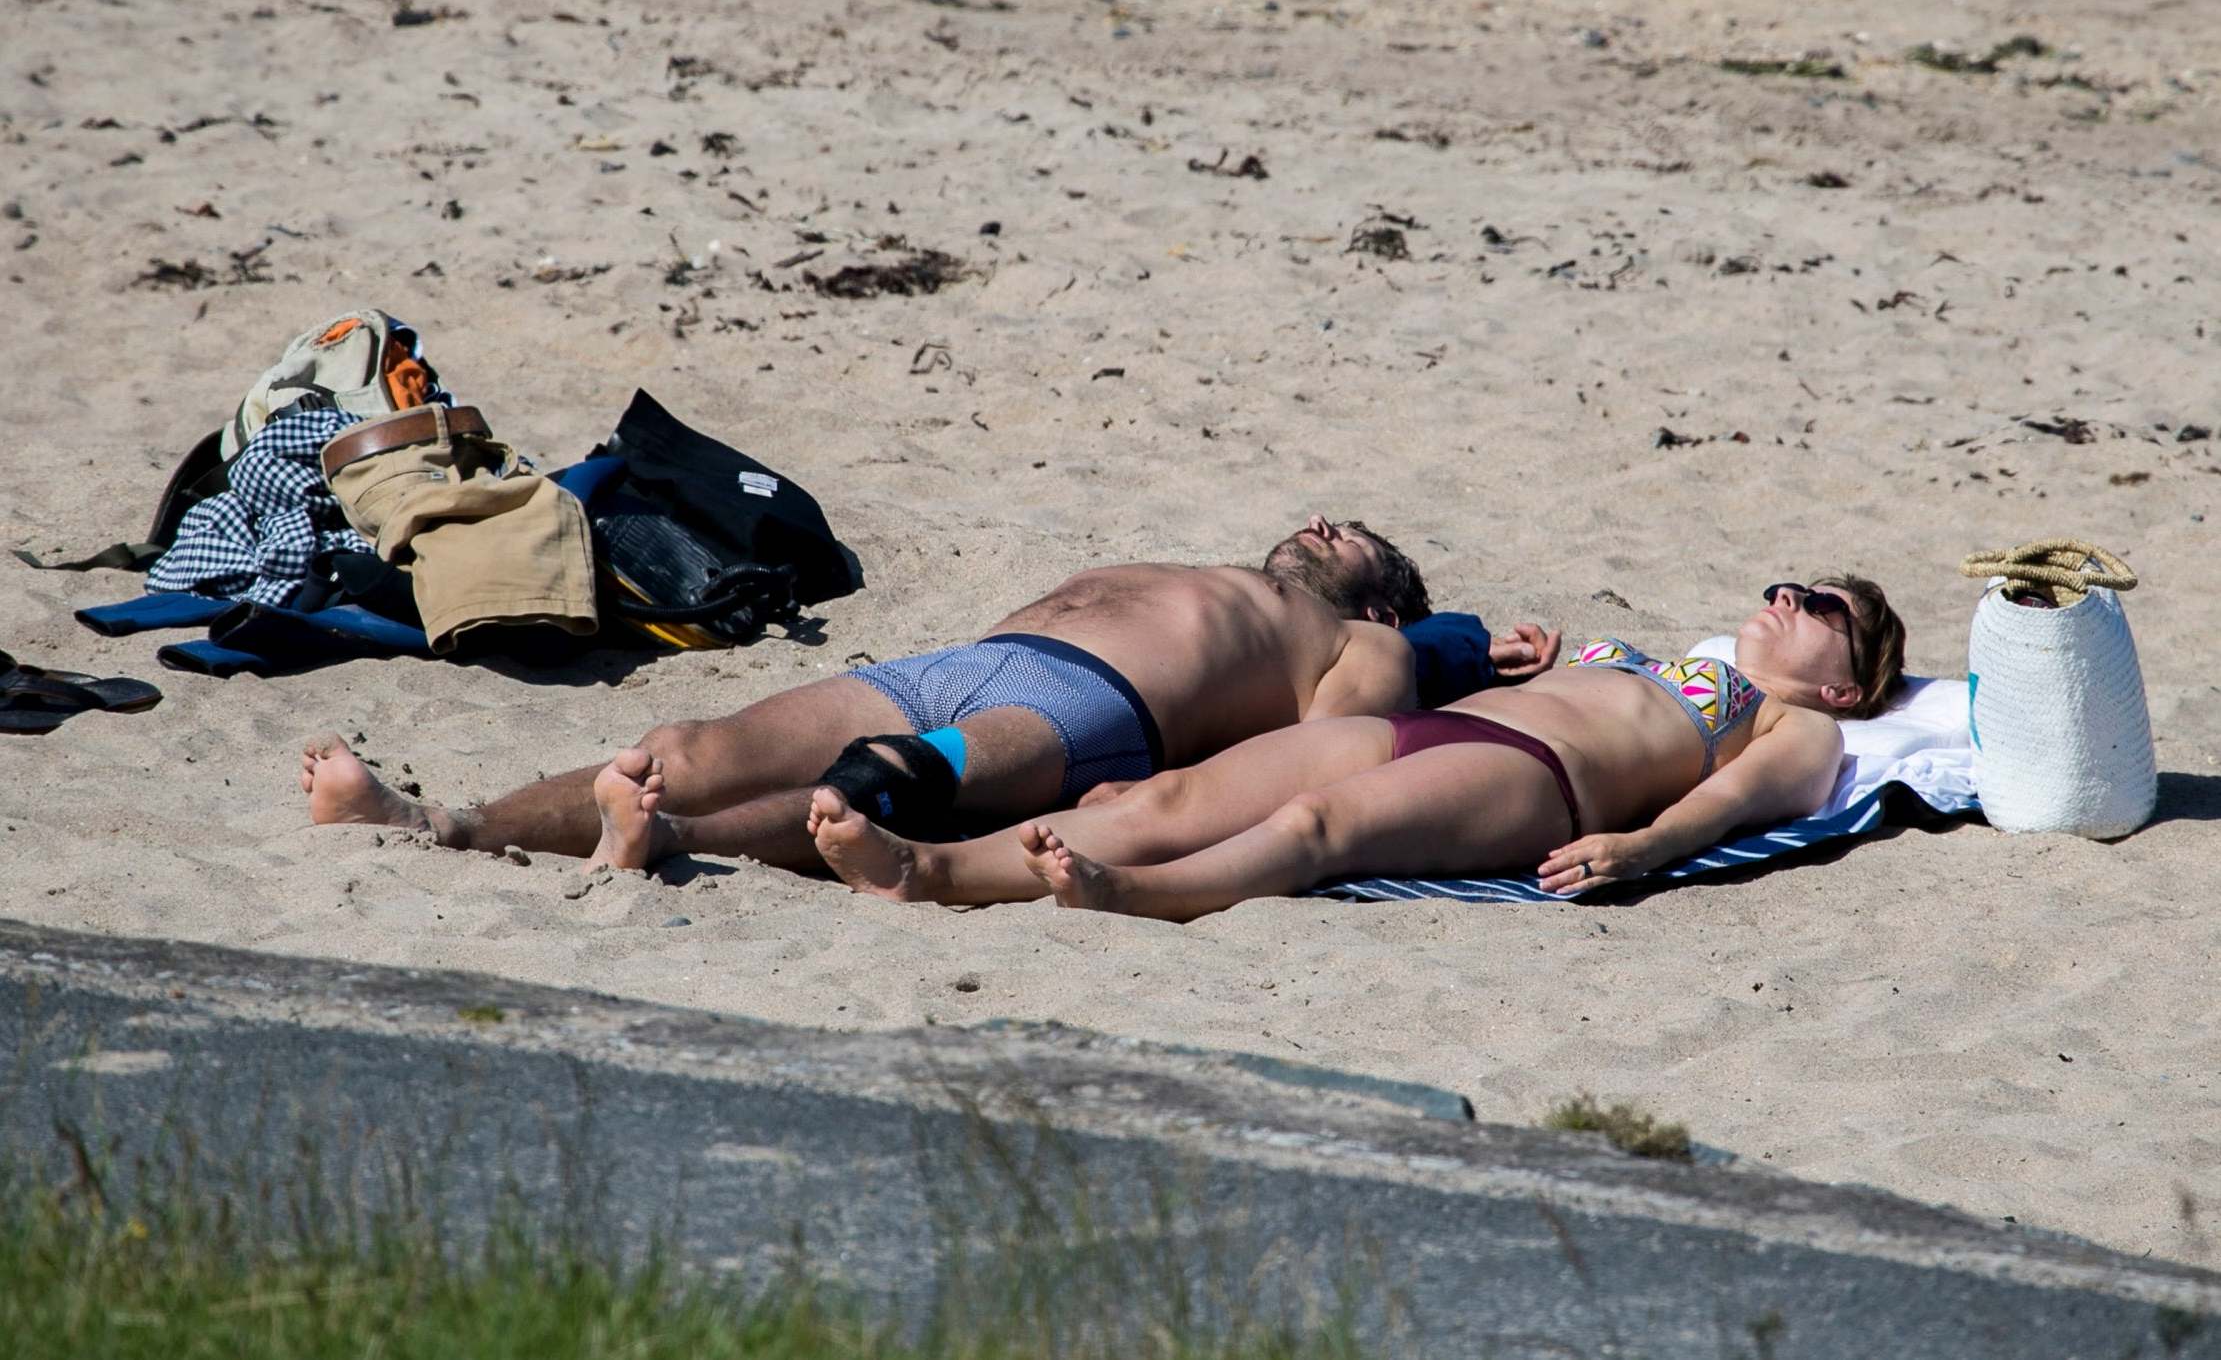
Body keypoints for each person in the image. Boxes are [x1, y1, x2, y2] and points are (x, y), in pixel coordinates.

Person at [303, 514, 1561, 868]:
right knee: (680, 737)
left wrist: (1456, 650)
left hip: (1092, 712)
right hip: (948, 660)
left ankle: (667, 845)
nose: (1325, 524)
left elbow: (1337, 745)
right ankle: (436, 824)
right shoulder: (1217, 567)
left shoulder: (1368, 640)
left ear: (1382, 596)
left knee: (877, 792)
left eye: (1353, 541)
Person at [792, 576, 1906, 920]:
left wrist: (1641, 848)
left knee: (1311, 831)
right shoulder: (1673, 660)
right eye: (1779, 585)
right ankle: (924, 870)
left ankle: (1135, 893)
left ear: (1845, 677)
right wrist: (1543, 657)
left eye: (1812, 602)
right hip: (1445, 724)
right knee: (1173, 791)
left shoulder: (1800, 725)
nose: (1779, 596)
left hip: (1538, 783)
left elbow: (1736, 804)